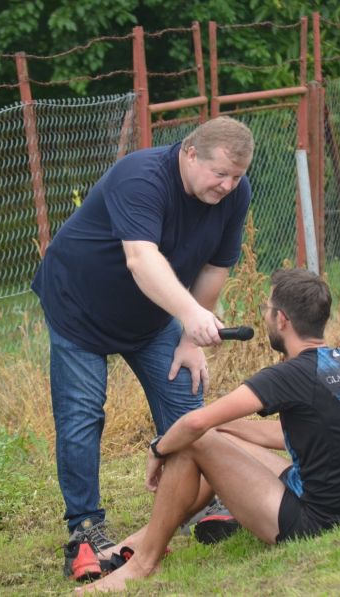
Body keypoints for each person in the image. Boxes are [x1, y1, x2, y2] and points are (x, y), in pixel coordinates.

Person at [31, 116, 254, 580]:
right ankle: (85, 531)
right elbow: (141, 258)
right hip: (78, 305)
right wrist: (190, 315)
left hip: (150, 315)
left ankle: (200, 503)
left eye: (236, 177)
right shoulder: (142, 177)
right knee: (82, 414)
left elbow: (215, 267)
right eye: (220, 174)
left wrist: (192, 339)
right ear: (190, 153)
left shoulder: (235, 194)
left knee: (186, 399)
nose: (228, 186)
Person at [77, 268, 340, 593]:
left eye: (267, 309)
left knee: (196, 441)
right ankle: (142, 539)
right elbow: (292, 434)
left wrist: (158, 448)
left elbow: (195, 424)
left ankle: (142, 564)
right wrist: (222, 425)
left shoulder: (290, 374)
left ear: (282, 319)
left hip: (315, 523)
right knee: (216, 436)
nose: (265, 316)